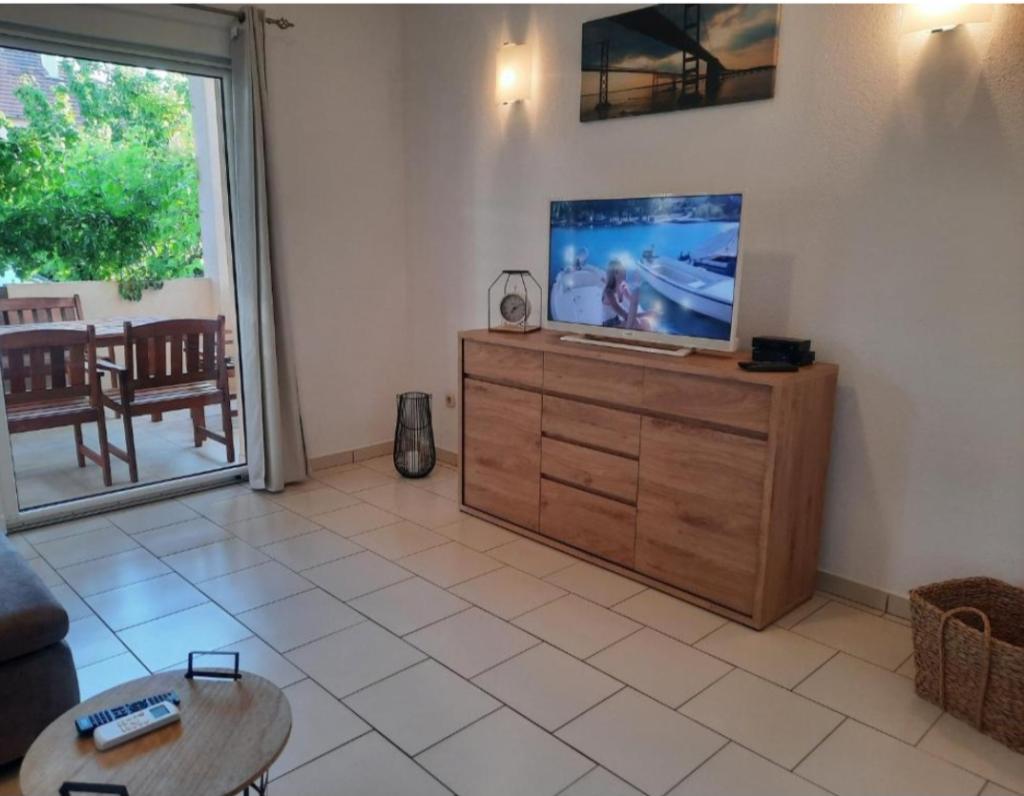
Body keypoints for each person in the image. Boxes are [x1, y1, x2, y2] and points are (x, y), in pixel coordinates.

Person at [601, 260, 654, 331]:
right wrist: (646, 314)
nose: (625, 271)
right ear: (616, 273)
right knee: (637, 322)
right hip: (609, 326)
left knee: (645, 322)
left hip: (617, 321)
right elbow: (626, 316)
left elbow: (633, 301)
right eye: (622, 270)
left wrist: (627, 293)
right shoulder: (609, 293)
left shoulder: (620, 288)